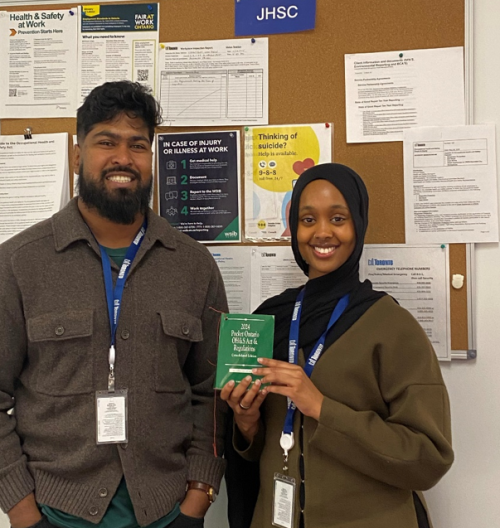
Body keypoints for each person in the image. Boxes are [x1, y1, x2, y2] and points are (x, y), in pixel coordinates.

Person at [0, 81, 227, 528]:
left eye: (137, 145)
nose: (123, 158)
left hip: (166, 512)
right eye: (106, 141)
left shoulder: (194, 266)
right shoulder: (19, 263)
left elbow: (213, 393)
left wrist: (198, 499)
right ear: (78, 152)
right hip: (53, 512)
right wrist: (23, 512)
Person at [221, 163, 454, 528]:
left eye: (338, 218)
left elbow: (428, 458)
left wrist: (321, 407)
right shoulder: (269, 320)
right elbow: (255, 452)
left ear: (357, 226)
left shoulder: (392, 327)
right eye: (308, 219)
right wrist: (247, 424)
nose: (323, 232)